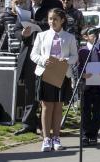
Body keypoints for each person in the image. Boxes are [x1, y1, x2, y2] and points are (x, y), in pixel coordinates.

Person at [13, 0, 63, 136]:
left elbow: (60, 25)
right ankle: (29, 123)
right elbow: (15, 30)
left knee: (47, 90)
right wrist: (22, 34)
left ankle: (46, 125)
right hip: (29, 53)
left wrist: (37, 24)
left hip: (49, 53)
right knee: (29, 89)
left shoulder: (54, 5)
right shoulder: (24, 8)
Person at [29, 8, 78, 151]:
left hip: (62, 75)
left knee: (58, 107)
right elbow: (34, 54)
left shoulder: (69, 37)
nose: (52, 22)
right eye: (50, 19)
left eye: (55, 19)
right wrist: (43, 60)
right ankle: (46, 138)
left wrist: (66, 60)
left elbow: (75, 57)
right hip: (45, 74)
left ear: (62, 20)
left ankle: (56, 137)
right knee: (46, 106)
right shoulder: (41, 36)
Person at [78, 27, 100, 146]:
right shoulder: (82, 51)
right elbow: (78, 67)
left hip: (99, 85)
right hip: (86, 86)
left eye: (96, 33)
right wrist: (83, 74)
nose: (95, 35)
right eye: (92, 34)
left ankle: (94, 135)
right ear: (85, 37)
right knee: (86, 111)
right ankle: (85, 135)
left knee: (97, 112)